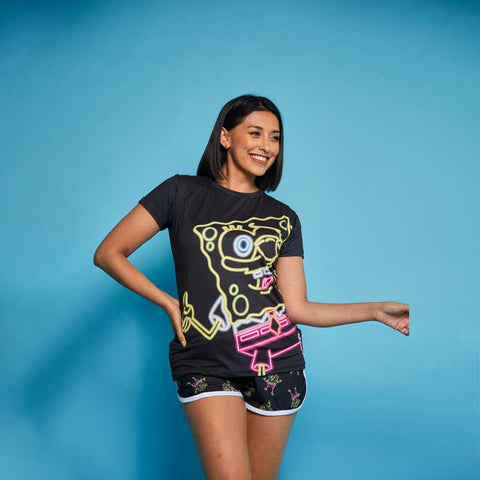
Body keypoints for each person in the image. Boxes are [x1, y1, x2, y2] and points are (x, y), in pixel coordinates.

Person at [93, 94, 410, 479]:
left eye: (275, 137)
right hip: (205, 361)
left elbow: (297, 308)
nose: (267, 146)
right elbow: (109, 253)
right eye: (255, 133)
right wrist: (167, 302)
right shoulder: (179, 193)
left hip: (278, 363)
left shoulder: (284, 218)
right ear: (225, 137)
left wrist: (375, 311)